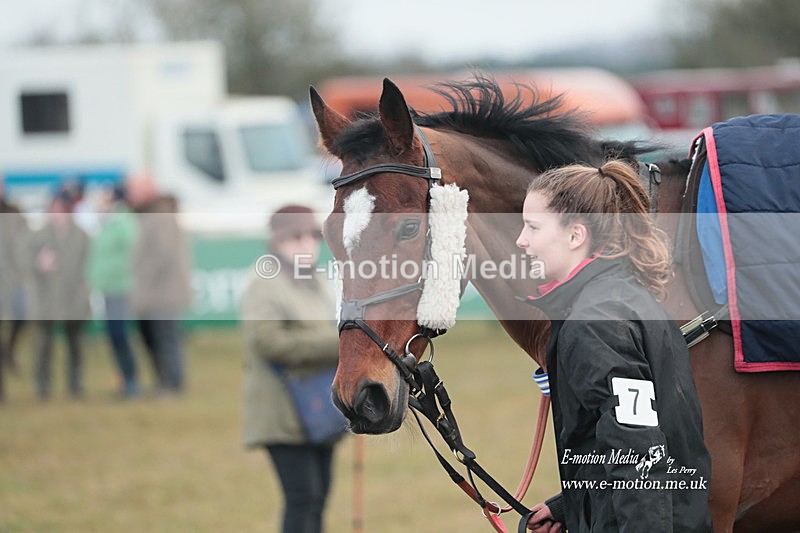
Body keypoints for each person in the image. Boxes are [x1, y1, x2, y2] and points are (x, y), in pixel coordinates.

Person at [516, 161, 712, 532]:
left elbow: (639, 453)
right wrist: (569, 508)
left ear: (575, 236)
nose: (521, 240)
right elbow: (635, 436)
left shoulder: (595, 322)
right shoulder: (625, 299)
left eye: (533, 227)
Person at [240, 205, 342, 533]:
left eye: (311, 236)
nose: (305, 244)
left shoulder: (318, 281)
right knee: (303, 499)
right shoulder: (263, 284)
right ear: (276, 242)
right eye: (294, 237)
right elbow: (269, 343)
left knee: (319, 498)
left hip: (320, 409)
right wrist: (339, 347)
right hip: (281, 411)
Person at [128, 176, 192, 395]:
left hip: (163, 292)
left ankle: (172, 384)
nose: (129, 194)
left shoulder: (160, 215)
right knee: (154, 339)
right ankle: (164, 382)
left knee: (166, 339)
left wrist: (144, 274)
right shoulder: (148, 215)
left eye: (133, 189)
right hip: (152, 292)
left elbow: (163, 254)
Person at [30, 189, 91, 400]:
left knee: (75, 344)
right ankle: (42, 386)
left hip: (73, 298)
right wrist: (39, 264)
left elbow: (87, 265)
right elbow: (24, 263)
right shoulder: (39, 235)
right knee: (44, 345)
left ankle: (75, 385)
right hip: (47, 299)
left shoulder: (81, 235)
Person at [87, 184, 140, 398]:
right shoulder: (107, 225)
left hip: (121, 288)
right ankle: (124, 380)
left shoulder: (124, 224)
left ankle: (131, 381)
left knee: (120, 335)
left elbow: (132, 253)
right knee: (114, 336)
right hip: (108, 289)